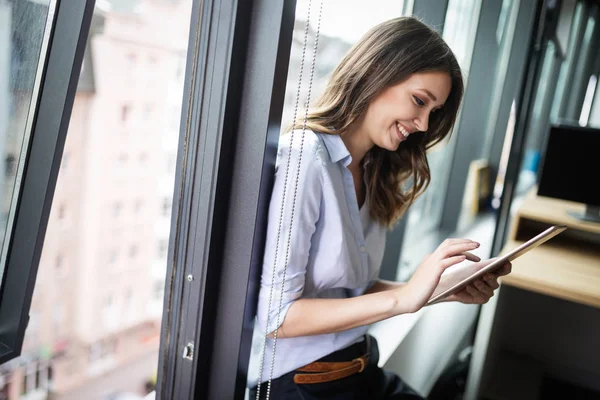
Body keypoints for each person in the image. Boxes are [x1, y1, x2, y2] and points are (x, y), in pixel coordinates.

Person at [251, 16, 512, 400]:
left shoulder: (375, 170)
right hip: (303, 385)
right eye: (420, 101)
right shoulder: (305, 157)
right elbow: (276, 317)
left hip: (358, 369)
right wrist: (403, 299)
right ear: (377, 71)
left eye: (433, 111)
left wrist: (439, 289)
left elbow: (350, 291)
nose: (423, 124)